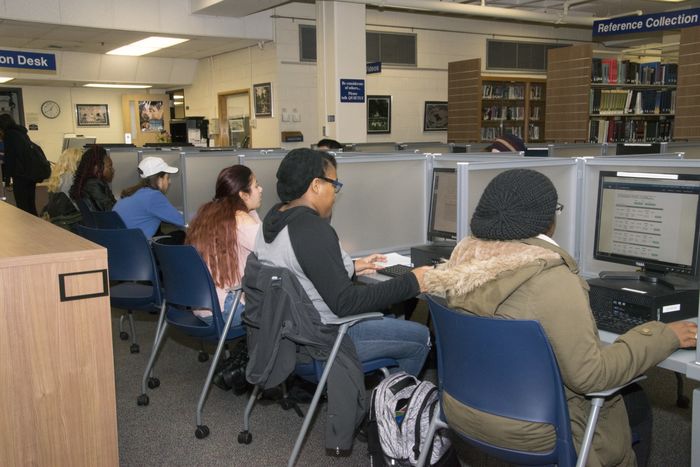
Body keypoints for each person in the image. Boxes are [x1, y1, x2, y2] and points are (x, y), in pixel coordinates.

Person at [423, 169, 698, 467]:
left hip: (466, 411)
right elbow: (592, 378)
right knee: (635, 401)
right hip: (538, 431)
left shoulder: (462, 266)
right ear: (548, 222)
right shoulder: (551, 279)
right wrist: (662, 336)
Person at [254, 148, 432, 377]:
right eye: (334, 185)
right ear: (316, 185)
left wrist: (351, 267)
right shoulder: (311, 230)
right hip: (325, 339)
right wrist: (412, 281)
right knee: (420, 336)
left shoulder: (273, 219)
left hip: (288, 335)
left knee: (389, 318)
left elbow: (300, 267)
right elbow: (346, 303)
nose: (335, 193)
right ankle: (392, 404)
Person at [185, 165, 263, 326]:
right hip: (229, 310)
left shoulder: (205, 215)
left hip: (201, 306)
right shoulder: (242, 220)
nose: (260, 189)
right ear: (243, 195)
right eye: (256, 185)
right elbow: (271, 254)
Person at [114, 156, 185, 239]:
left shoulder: (133, 193)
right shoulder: (153, 196)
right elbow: (182, 221)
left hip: (121, 244)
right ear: (159, 179)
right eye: (167, 178)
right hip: (138, 247)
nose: (169, 182)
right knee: (181, 235)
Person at [0, 113, 38, 215]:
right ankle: (37, 228)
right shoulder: (22, 133)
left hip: (20, 175)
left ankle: (28, 229)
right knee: (31, 205)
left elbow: (10, 159)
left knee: (23, 207)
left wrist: (7, 181)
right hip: (31, 174)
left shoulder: (9, 135)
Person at [69, 146, 116, 212]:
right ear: (96, 167)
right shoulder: (93, 185)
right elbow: (110, 209)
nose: (112, 170)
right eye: (109, 166)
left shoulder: (87, 183)